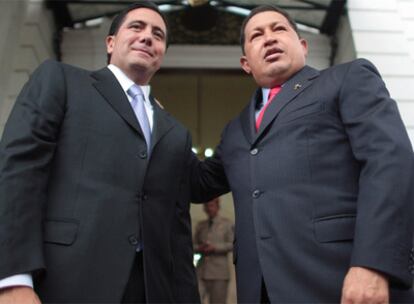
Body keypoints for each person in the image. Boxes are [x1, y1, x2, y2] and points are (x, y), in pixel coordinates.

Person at [191, 4, 414, 303]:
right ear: (246, 63)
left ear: (303, 46)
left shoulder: (346, 79)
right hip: (260, 291)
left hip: (341, 281)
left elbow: (390, 160)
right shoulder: (234, 131)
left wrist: (374, 262)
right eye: (257, 35)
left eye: (279, 29)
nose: (269, 38)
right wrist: (154, 125)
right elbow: (200, 183)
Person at [0, 1, 199, 303]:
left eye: (158, 35)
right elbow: (17, 172)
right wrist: (12, 279)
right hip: (63, 281)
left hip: (149, 290)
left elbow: (178, 230)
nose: (148, 37)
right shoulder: (62, 80)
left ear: (162, 54)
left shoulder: (175, 132)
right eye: (136, 27)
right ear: (111, 42)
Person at [194, 198, 233, 304]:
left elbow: (232, 245)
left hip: (219, 273)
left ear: (217, 206)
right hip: (201, 272)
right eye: (206, 206)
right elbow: (192, 245)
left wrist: (215, 247)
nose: (208, 208)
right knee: (194, 299)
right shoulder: (200, 225)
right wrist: (199, 248)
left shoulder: (227, 224)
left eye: (211, 205)